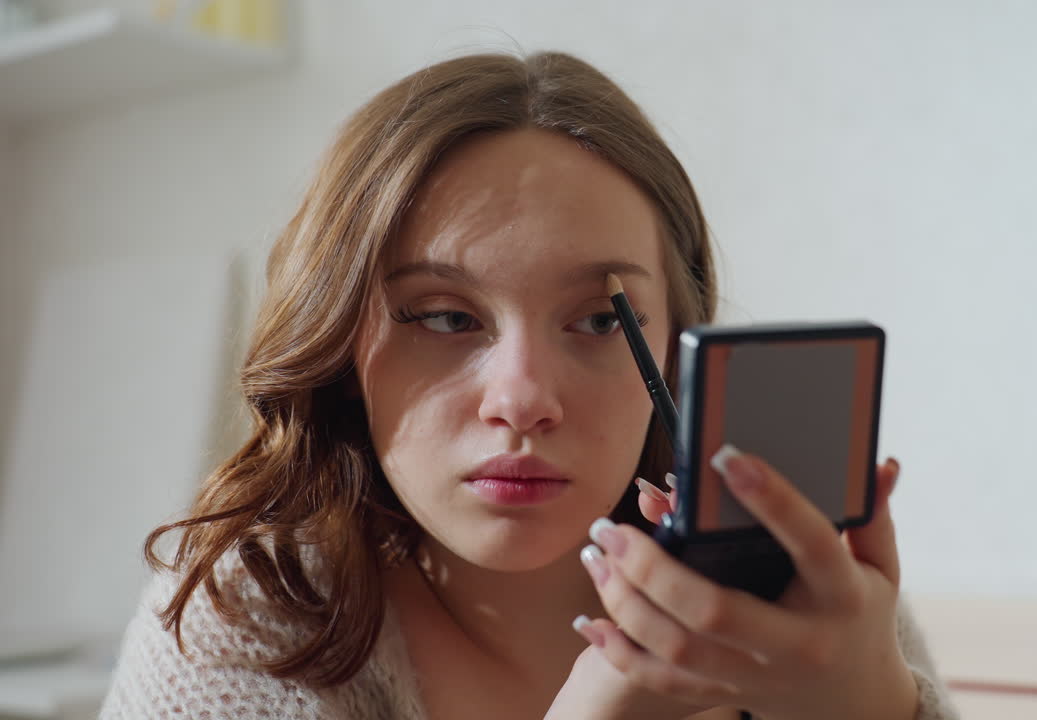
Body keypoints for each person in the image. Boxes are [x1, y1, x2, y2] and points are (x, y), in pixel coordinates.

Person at [100, 51, 960, 720]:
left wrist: (876, 703)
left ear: (675, 346)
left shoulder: (804, 587)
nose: (521, 399)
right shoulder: (242, 614)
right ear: (343, 346)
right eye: (443, 317)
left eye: (598, 321)